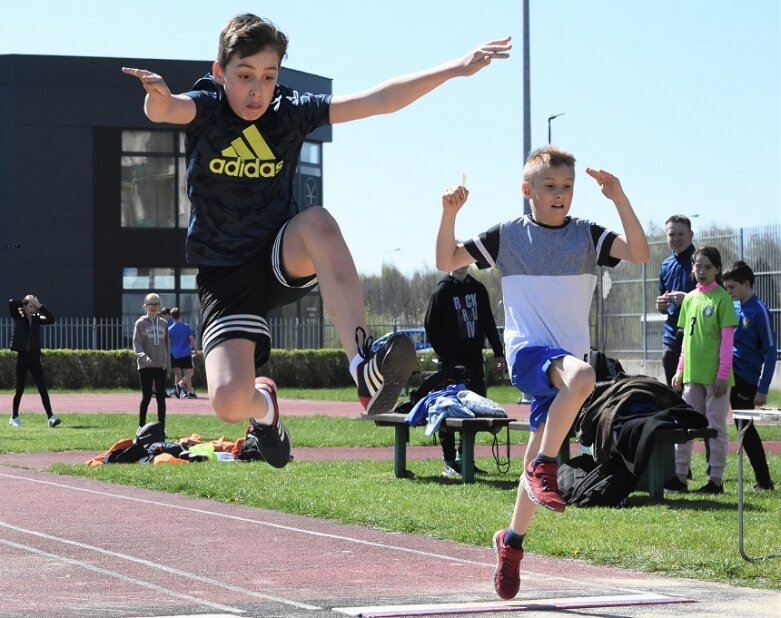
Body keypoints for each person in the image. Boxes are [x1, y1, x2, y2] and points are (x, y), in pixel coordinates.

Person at [122, 13, 511, 468]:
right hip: (225, 277)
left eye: (268, 78)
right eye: (244, 76)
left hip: (277, 254)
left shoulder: (290, 109)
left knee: (319, 223)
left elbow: (379, 99)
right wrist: (160, 99)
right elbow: (168, 110)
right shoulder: (207, 105)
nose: (256, 90)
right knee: (228, 402)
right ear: (219, 72)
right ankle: (265, 410)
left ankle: (363, 368)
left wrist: (454, 68)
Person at [434, 145, 649, 600]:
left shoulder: (588, 236)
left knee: (538, 447)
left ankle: (511, 543)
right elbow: (445, 260)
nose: (560, 195)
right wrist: (449, 213)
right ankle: (546, 467)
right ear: (527, 190)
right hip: (531, 353)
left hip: (563, 371)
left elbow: (640, 252)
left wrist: (619, 197)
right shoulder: (507, 235)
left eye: (567, 187)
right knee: (584, 378)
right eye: (550, 186)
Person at [668, 246, 738, 495]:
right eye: (698, 266)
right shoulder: (689, 298)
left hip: (716, 379)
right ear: (692, 268)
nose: (702, 271)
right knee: (686, 426)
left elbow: (727, 341)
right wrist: (680, 370)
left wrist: (722, 374)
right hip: (691, 376)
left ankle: (715, 481)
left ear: (717, 269)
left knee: (715, 427)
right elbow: (686, 340)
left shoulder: (722, 298)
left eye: (708, 267)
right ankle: (679, 477)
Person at [424, 265, 504, 477]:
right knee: (447, 408)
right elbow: (430, 326)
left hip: (474, 361)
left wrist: (498, 351)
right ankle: (449, 460)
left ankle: (465, 457)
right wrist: (445, 352)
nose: (460, 264)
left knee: (474, 409)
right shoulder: (442, 291)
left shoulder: (477, 288)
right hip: (450, 363)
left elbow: (488, 321)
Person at [723, 260, 776, 492]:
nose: (729, 292)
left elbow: (771, 351)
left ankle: (764, 482)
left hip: (746, 379)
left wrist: (762, 388)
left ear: (746, 284)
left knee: (744, 426)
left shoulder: (759, 310)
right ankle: (713, 478)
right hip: (726, 374)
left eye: (732, 287)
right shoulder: (733, 307)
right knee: (713, 421)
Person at [8, 295, 61, 428]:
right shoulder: (18, 316)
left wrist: (40, 305)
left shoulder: (37, 319)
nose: (33, 308)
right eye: (30, 306)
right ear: (25, 306)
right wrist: (26, 300)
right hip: (23, 357)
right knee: (20, 388)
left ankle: (50, 417)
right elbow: (11, 303)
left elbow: (51, 319)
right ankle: (14, 417)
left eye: (34, 306)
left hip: (34, 358)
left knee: (42, 387)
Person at [656, 215, 696, 387]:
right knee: (673, 391)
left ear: (691, 235)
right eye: (672, 235)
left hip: (696, 336)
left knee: (694, 391)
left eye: (681, 234)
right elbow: (664, 307)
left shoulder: (702, 262)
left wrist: (687, 299)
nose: (676, 239)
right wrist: (661, 306)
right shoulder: (666, 265)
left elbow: (716, 299)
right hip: (672, 337)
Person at [132, 293, 171, 429]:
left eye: (156, 304)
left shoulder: (164, 324)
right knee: (147, 396)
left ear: (160, 306)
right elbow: (136, 343)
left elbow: (167, 346)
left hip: (160, 365)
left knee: (161, 397)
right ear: (145, 306)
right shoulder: (140, 323)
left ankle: (161, 426)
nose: (153, 307)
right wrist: (143, 356)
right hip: (145, 366)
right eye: (150, 304)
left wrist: (168, 366)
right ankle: (141, 426)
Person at [168, 307, 199, 398]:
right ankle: (180, 385)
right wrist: (196, 351)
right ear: (180, 315)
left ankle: (189, 392)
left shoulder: (169, 329)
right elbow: (192, 340)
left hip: (174, 354)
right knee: (189, 373)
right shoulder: (186, 327)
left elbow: (168, 343)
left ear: (171, 317)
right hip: (185, 353)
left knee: (179, 374)